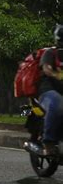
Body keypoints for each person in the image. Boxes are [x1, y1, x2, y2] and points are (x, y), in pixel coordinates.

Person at [38, 24, 63, 155]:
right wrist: (57, 74)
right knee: (57, 103)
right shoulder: (50, 53)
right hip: (48, 91)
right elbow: (46, 69)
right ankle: (48, 142)